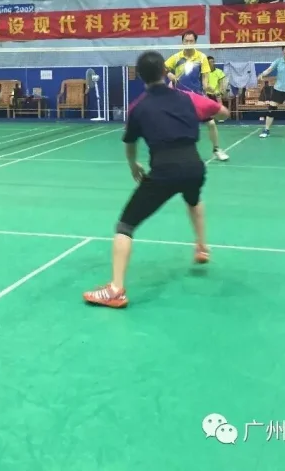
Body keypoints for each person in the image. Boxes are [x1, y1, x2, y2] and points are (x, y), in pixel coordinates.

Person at [83, 50, 229, 309]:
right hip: (195, 167)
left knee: (125, 225)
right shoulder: (188, 98)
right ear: (165, 72)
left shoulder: (138, 107)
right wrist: (205, 114)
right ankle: (201, 247)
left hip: (165, 171)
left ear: (141, 77)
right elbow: (224, 112)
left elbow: (130, 144)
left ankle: (115, 290)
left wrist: (133, 165)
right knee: (193, 199)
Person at [164, 31, 229, 161]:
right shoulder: (176, 57)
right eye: (186, 41)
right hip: (180, 97)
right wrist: (169, 74)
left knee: (211, 124)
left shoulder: (202, 58)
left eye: (191, 41)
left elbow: (205, 81)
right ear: (182, 42)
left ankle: (217, 149)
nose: (188, 43)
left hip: (197, 97)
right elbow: (162, 67)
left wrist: (211, 89)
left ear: (195, 42)